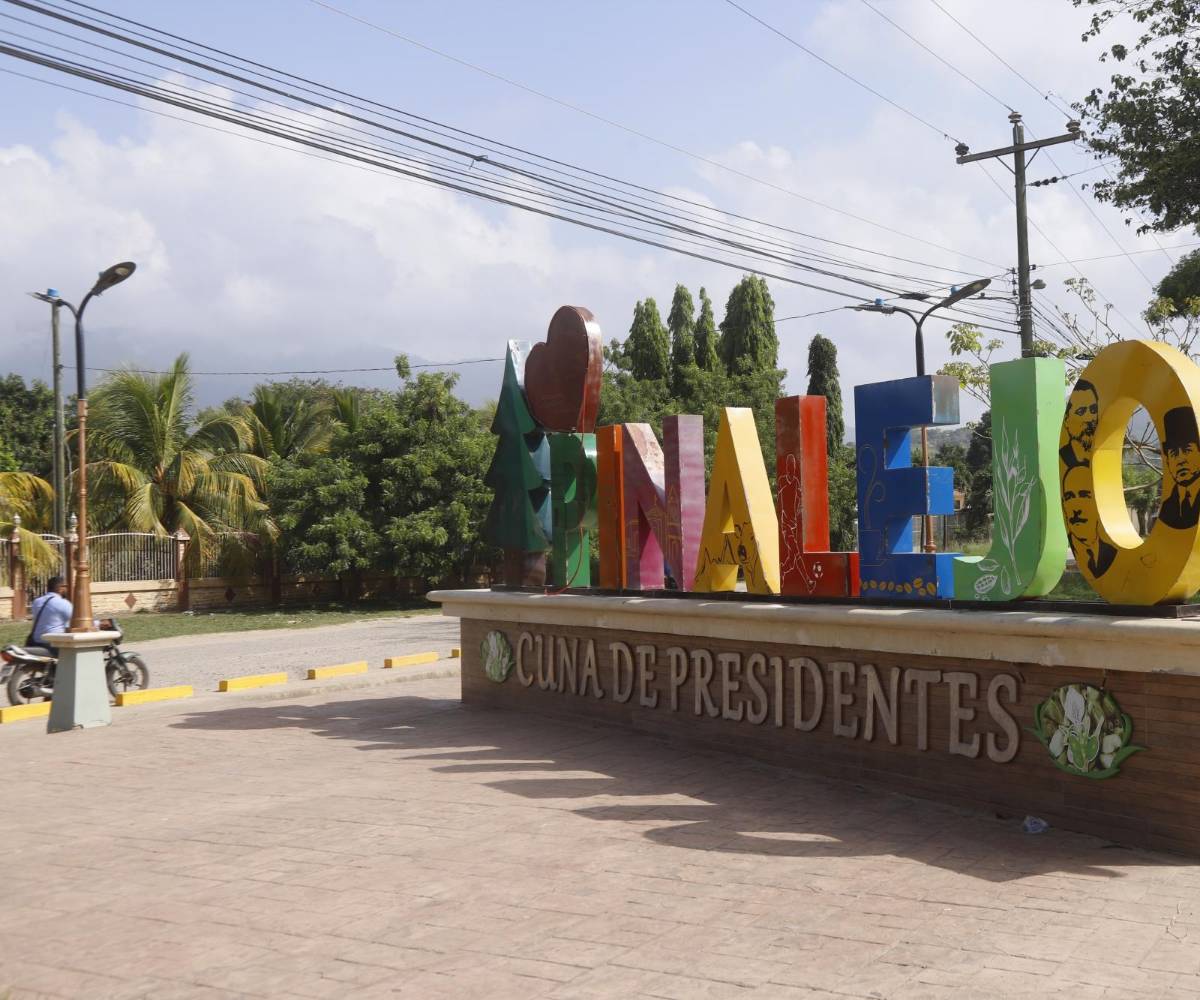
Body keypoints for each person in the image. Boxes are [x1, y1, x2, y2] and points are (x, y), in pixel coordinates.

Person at [1062, 465, 1116, 578]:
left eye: (1084, 495)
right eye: (1069, 497)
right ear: (1064, 505)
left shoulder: (1112, 551)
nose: (1076, 508)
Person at [1158, 406, 1200, 529]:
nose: (1180, 460)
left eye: (1187, 450)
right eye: (1174, 453)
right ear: (1167, 461)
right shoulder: (1166, 508)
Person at [27, 576, 72, 655]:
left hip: (35, 642)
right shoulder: (63, 603)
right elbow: (75, 623)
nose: (67, 589)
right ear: (60, 588)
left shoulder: (36, 602)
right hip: (53, 645)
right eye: (66, 586)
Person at [1060, 379, 1099, 471]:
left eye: (1093, 410)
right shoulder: (1062, 458)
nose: (1090, 418)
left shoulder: (1102, 456)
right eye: (1081, 412)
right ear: (1066, 420)